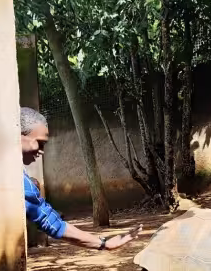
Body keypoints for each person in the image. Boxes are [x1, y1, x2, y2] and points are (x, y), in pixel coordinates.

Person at [20, 106, 140, 250]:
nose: (42, 151)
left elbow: (49, 219)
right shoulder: (20, 182)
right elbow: (50, 221)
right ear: (17, 134)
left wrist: (103, 243)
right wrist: (104, 244)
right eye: (39, 142)